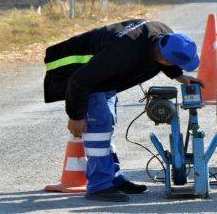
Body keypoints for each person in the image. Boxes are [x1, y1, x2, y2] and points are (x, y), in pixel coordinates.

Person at [43, 19, 203, 202]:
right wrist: (76, 116)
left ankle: (113, 178)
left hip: (105, 74)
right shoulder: (121, 53)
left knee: (107, 125)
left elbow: (165, 60)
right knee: (99, 128)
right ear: (164, 58)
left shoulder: (164, 33)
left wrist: (179, 76)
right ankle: (99, 186)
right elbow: (79, 81)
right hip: (75, 69)